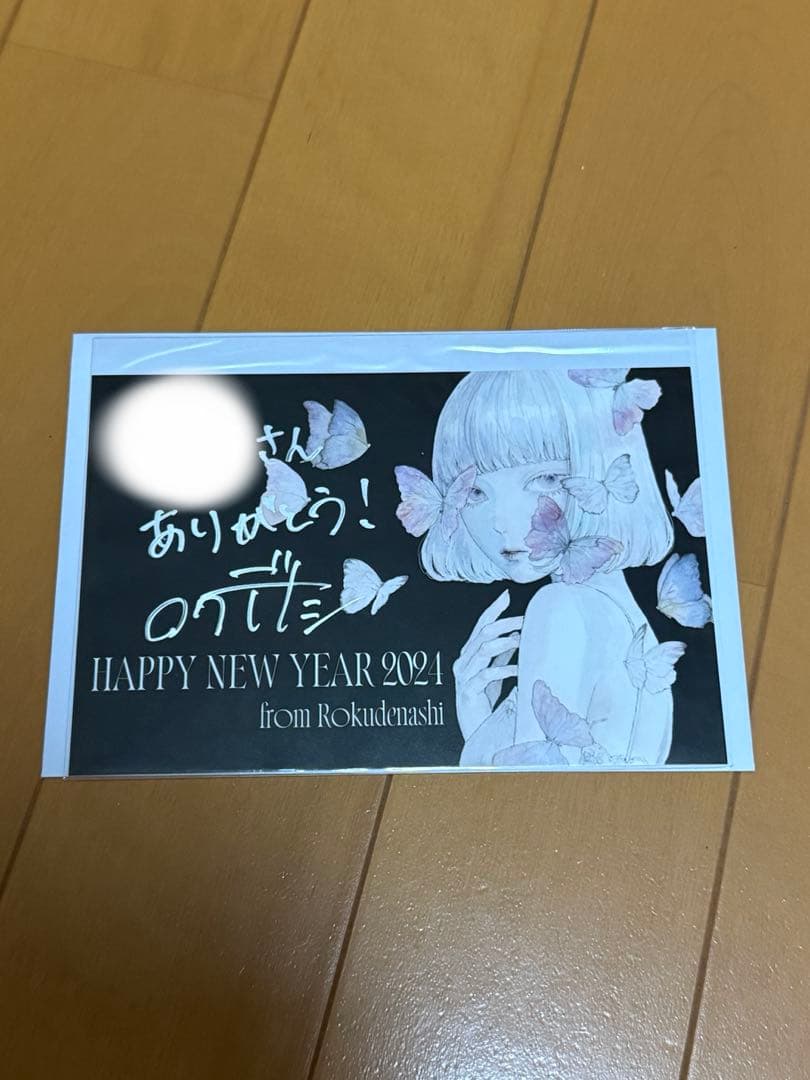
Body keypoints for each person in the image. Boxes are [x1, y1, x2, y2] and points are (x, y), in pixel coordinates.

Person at [406, 367, 676, 767]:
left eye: (546, 478)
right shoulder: (624, 621)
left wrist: (480, 736)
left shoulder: (561, 607)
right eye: (476, 491)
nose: (502, 520)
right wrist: (481, 724)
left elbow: (526, 790)